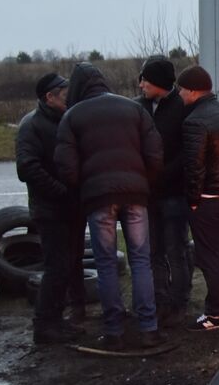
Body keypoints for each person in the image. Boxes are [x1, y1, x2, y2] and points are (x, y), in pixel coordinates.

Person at [54, 62, 163, 352]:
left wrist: (85, 187)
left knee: (105, 264)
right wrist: (143, 182)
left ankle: (114, 331)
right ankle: (149, 329)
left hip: (98, 199)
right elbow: (155, 152)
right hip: (137, 193)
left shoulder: (72, 116)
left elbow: (66, 164)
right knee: (141, 260)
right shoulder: (133, 108)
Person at [15, 73, 82, 344]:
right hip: (50, 210)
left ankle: (57, 319)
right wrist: (60, 191)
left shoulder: (65, 121)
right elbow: (26, 168)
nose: (69, 98)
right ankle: (44, 324)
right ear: (49, 97)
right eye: (64, 94)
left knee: (67, 266)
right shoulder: (31, 125)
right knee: (56, 266)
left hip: (70, 208)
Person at [178, 66, 219, 331]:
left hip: (209, 196)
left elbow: (194, 166)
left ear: (194, 91)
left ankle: (217, 313)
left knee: (210, 255)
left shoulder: (195, 121)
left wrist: (193, 198)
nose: (180, 94)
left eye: (182, 90)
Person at [136, 56, 192, 324]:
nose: (141, 84)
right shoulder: (138, 108)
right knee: (153, 251)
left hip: (174, 194)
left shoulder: (182, 107)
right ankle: (160, 300)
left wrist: (163, 173)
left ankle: (180, 301)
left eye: (146, 79)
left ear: (159, 81)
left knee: (176, 249)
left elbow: (187, 151)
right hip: (147, 195)